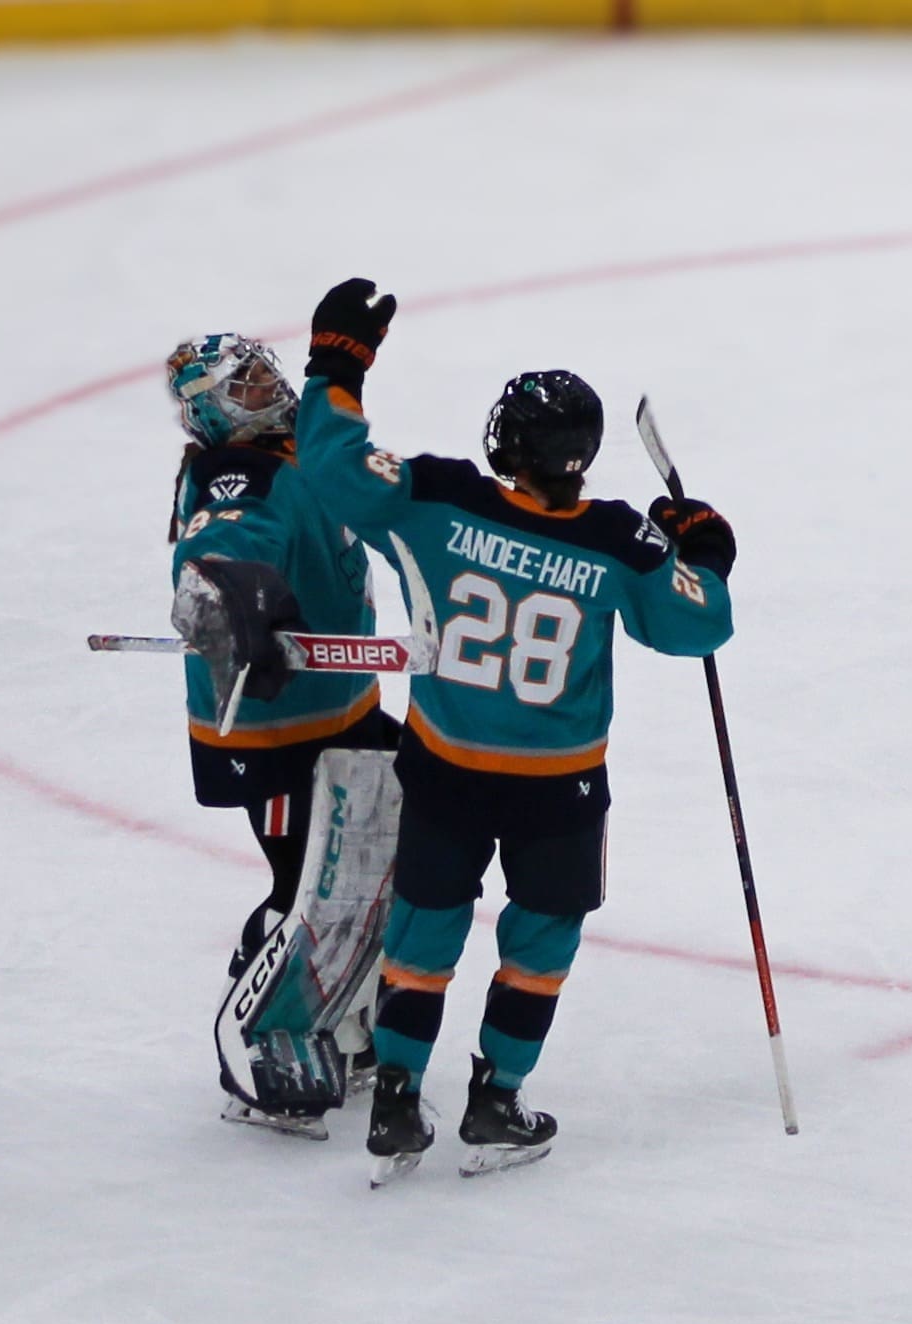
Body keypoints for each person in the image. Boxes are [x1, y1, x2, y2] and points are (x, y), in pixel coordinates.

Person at [288, 280, 738, 1182]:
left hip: (448, 771)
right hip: (560, 788)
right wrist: (706, 551)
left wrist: (337, 369)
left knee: (422, 932)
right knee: (540, 941)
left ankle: (399, 1096)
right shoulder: (619, 540)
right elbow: (697, 626)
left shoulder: (440, 500)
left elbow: (335, 472)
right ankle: (496, 1100)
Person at [162, 333, 399, 1122]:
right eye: (249, 386)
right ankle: (259, 1045)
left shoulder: (294, 451)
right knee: (308, 886)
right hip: (276, 726)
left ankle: (346, 1018)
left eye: (266, 375)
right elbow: (216, 547)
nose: (271, 391)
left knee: (381, 865)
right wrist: (234, 592)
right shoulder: (241, 470)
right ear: (212, 410)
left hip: (341, 704)